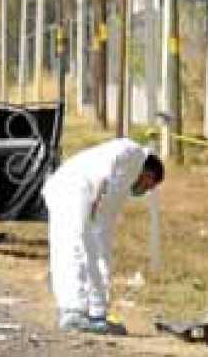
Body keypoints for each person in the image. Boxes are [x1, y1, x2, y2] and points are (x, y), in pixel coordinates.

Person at [41, 138, 164, 334]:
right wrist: (99, 191)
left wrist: (101, 311)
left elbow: (103, 236)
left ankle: (93, 312)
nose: (145, 191)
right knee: (73, 247)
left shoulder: (124, 182)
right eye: (149, 186)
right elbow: (110, 163)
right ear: (149, 174)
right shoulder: (133, 153)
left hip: (72, 191)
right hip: (73, 188)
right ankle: (73, 311)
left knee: (87, 248)